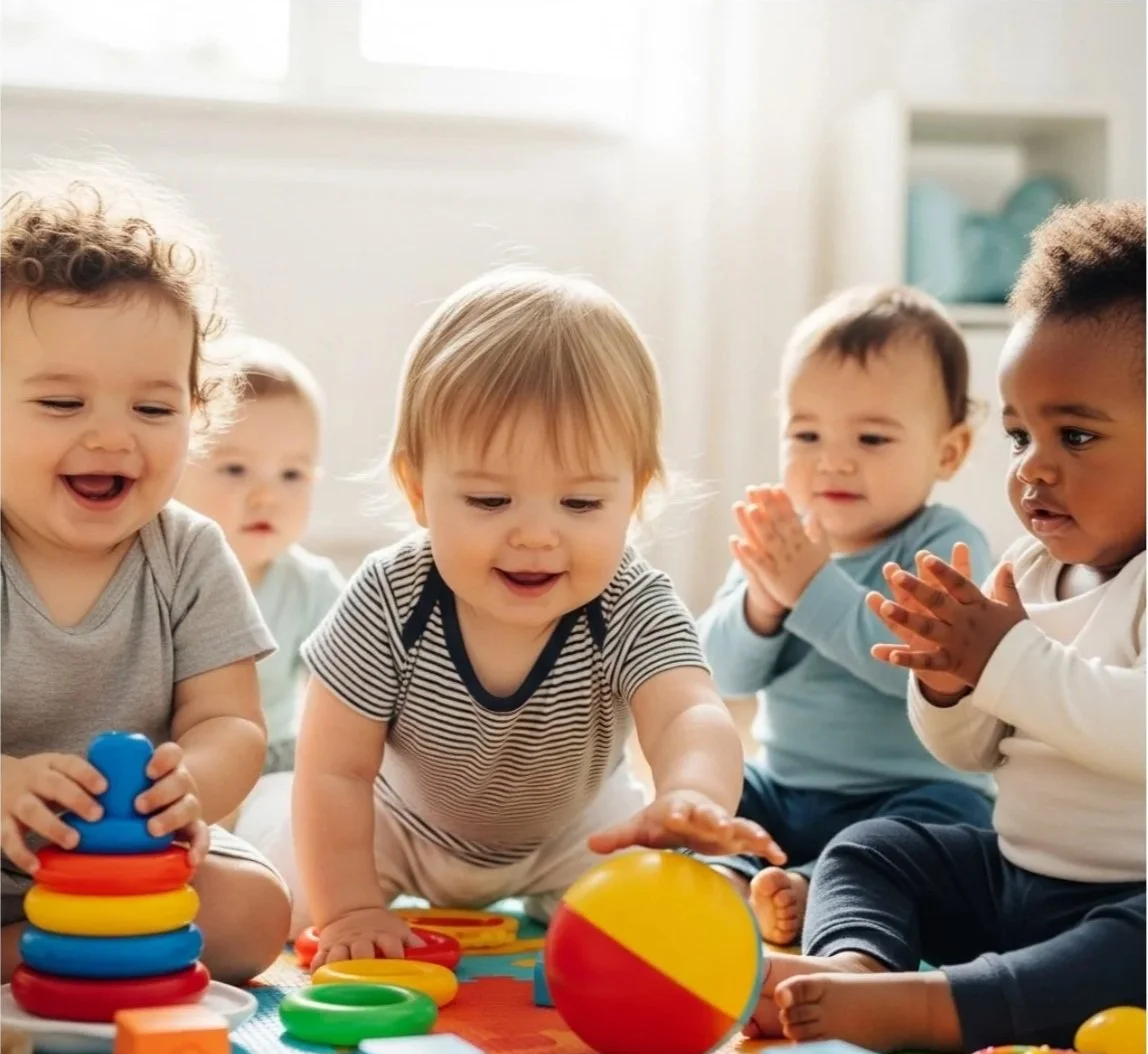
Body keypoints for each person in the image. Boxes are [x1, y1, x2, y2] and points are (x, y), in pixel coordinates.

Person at [272, 268, 785, 963]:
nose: (537, 537)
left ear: (633, 498)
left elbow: (689, 712)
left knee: (667, 931)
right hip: (396, 827)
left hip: (576, 833)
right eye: (490, 501)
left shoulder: (629, 599)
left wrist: (690, 795)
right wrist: (351, 907)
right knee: (280, 907)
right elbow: (333, 769)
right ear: (417, 490)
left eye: (580, 506)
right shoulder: (392, 596)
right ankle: (265, 825)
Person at [752, 200, 1146, 1053]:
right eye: (1018, 436)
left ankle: (942, 1008)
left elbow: (1132, 726)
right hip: (1014, 876)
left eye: (1074, 435)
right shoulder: (1030, 572)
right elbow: (972, 752)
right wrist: (948, 685)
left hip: (1127, 903)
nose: (1034, 467)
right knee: (872, 849)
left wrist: (1003, 656)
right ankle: (859, 965)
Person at [0, 163, 291, 983]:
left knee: (255, 914)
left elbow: (231, 722)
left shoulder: (190, 552)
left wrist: (186, 783)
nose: (111, 437)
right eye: (62, 405)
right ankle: (56, 952)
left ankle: (39, 956)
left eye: (154, 408)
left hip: (134, 866)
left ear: (197, 414)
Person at [698, 285, 993, 944]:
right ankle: (731, 874)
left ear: (948, 452)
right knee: (708, 786)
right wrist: (763, 603)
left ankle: (813, 887)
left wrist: (809, 587)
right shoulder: (781, 542)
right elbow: (719, 674)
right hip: (787, 787)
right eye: (806, 433)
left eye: (871, 437)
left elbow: (911, 669)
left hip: (910, 792)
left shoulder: (944, 545)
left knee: (935, 835)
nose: (833, 458)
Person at [177, 336, 344, 846]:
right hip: (180, 759)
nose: (267, 495)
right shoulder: (166, 573)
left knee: (309, 818)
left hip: (273, 763)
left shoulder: (310, 584)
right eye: (234, 469)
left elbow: (347, 690)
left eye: (292, 474)